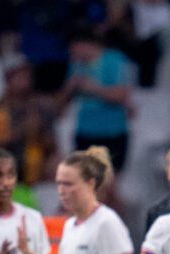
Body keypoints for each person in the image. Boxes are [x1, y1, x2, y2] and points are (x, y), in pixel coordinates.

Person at [60, 26, 133, 173]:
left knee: (110, 183)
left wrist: (93, 88)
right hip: (85, 132)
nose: (71, 51)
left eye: (73, 47)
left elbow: (122, 94)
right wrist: (69, 88)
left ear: (84, 44)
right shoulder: (76, 65)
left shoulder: (115, 60)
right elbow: (62, 103)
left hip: (112, 132)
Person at [0, 55, 59, 187]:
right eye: (21, 75)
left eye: (28, 74)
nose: (26, 79)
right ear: (9, 78)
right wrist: (21, 131)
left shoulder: (41, 109)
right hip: (4, 164)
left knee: (56, 163)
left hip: (36, 165)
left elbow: (53, 146)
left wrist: (39, 132)